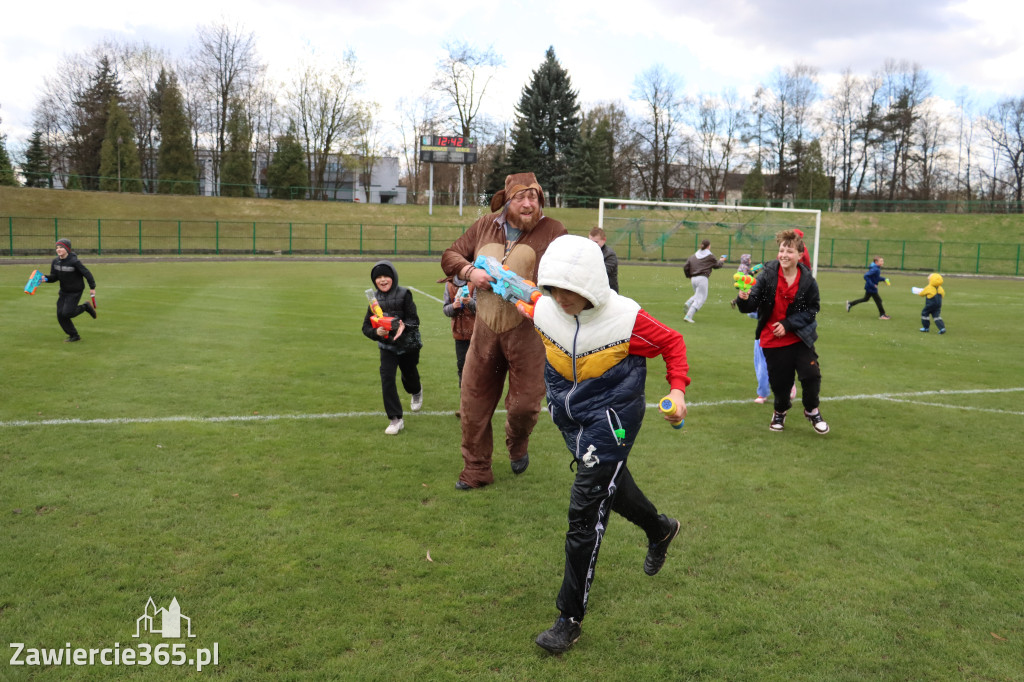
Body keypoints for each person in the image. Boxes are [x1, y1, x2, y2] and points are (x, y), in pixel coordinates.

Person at [526, 235, 689, 655]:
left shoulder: (627, 321)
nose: (560, 298)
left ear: (591, 286)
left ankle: (569, 619)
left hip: (613, 421)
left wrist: (678, 390)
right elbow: (518, 291)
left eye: (569, 289)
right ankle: (660, 529)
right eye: (553, 288)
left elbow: (672, 343)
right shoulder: (545, 307)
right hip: (573, 418)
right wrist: (486, 277)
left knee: (584, 511)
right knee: (609, 487)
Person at [440, 172, 567, 489]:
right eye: (521, 197)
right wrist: (470, 271)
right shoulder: (485, 226)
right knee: (472, 405)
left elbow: (571, 268)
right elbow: (451, 255)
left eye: (534, 197)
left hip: (529, 335)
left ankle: (517, 442)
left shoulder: (553, 231)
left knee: (524, 407)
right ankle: (476, 470)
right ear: (508, 201)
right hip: (483, 335)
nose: (528, 204)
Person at [736, 229, 829, 435]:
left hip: (799, 338)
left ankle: (812, 411)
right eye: (781, 250)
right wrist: (743, 298)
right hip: (772, 340)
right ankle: (780, 411)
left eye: (790, 251)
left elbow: (812, 310)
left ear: (800, 255)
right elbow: (751, 304)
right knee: (780, 384)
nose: (784, 255)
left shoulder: (807, 281)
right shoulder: (768, 275)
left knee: (811, 375)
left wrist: (788, 324)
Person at [361, 260, 423, 435]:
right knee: (387, 379)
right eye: (378, 277)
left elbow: (414, 320)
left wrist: (404, 325)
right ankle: (395, 420)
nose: (382, 280)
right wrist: (377, 332)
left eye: (385, 276)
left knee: (409, 376)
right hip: (387, 348)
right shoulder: (374, 300)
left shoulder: (404, 294)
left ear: (393, 277)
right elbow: (366, 327)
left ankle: (416, 390)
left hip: (408, 345)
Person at [40, 238, 97, 342]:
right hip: (64, 291)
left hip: (75, 291)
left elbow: (87, 273)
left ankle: (85, 307)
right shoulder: (55, 261)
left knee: (67, 313)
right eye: (57, 247)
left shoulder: (74, 261)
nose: (58, 249)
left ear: (67, 248)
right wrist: (45, 278)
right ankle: (74, 336)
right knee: (60, 315)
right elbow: (54, 277)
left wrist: (92, 287)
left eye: (61, 247)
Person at [440, 274, 477, 407]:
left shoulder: (475, 282)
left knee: (478, 370)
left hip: (477, 335)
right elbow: (445, 309)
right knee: (462, 368)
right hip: (460, 336)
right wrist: (453, 307)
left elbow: (483, 309)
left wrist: (470, 303)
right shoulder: (449, 285)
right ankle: (465, 405)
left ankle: (478, 404)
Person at [682, 239, 727, 323]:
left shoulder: (694, 255)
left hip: (693, 279)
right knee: (701, 298)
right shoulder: (710, 255)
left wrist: (689, 276)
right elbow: (716, 266)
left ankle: (689, 303)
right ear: (708, 246)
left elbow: (685, 266)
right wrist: (721, 261)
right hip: (702, 278)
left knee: (698, 294)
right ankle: (688, 316)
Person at [588, 226, 619, 292]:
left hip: (608, 293)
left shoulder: (610, 255)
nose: (592, 245)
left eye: (596, 242)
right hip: (592, 291)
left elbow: (601, 273)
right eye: (590, 242)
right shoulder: (586, 253)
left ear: (604, 240)